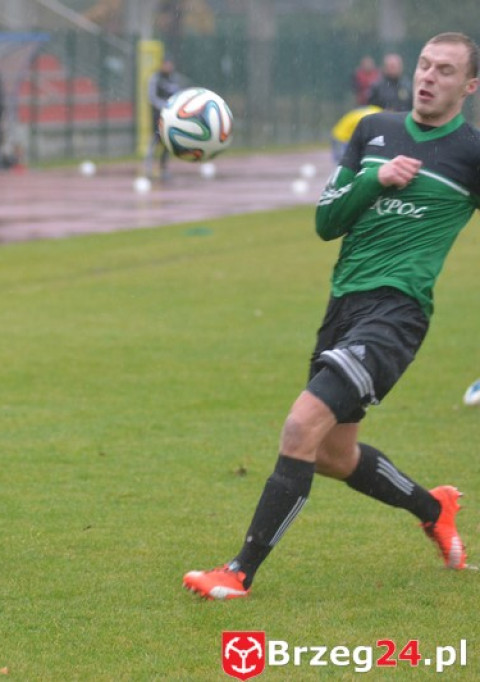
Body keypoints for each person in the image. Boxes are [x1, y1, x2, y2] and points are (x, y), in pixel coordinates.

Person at [184, 31, 480, 601]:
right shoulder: (374, 131)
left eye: (445, 71)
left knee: (300, 427)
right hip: (343, 306)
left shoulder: (471, 153)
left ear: (469, 86)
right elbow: (326, 222)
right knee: (330, 454)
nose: (428, 77)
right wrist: (376, 177)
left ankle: (238, 572)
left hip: (397, 313)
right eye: (424, 65)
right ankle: (432, 508)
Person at [144, 57, 182, 180]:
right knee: (155, 139)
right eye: (166, 64)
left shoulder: (174, 79)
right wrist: (165, 106)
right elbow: (152, 97)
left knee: (167, 141)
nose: (168, 67)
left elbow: (178, 95)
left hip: (171, 117)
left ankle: (164, 168)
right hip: (158, 115)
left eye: (170, 64)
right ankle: (148, 166)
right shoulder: (156, 78)